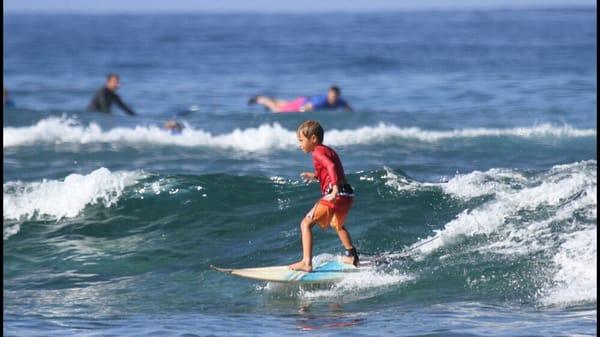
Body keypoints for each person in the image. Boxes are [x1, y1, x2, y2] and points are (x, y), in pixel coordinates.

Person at [289, 120, 358, 272]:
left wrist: (333, 189)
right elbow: (333, 171)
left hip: (336, 193)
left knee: (305, 224)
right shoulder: (328, 150)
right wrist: (315, 176)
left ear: (313, 139)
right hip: (347, 193)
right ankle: (352, 255)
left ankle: (306, 263)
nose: (299, 144)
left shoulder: (317, 153)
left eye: (301, 140)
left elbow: (331, 167)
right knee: (336, 224)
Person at [249, 86, 352, 113]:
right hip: (301, 104)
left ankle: (271, 100)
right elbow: (306, 108)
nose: (333, 98)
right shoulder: (322, 101)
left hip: (303, 100)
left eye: (335, 96)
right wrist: (299, 113)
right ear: (328, 94)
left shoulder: (339, 101)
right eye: (331, 96)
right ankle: (262, 100)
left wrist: (350, 112)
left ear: (338, 96)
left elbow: (346, 105)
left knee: (286, 104)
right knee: (279, 110)